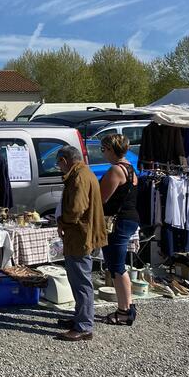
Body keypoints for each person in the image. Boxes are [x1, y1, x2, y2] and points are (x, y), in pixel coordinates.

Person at [55, 146, 107, 342]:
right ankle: (80, 318)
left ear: (65, 160)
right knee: (78, 278)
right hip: (80, 234)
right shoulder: (84, 173)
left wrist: (63, 222)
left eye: (59, 163)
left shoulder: (78, 177)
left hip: (79, 235)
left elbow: (76, 208)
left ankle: (84, 325)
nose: (59, 167)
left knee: (81, 280)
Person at [99, 134, 140, 326]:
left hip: (118, 222)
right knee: (117, 265)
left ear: (110, 149)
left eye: (103, 149)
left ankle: (124, 311)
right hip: (129, 219)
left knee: (117, 267)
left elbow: (101, 199)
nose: (103, 154)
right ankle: (128, 305)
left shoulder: (116, 170)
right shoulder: (131, 169)